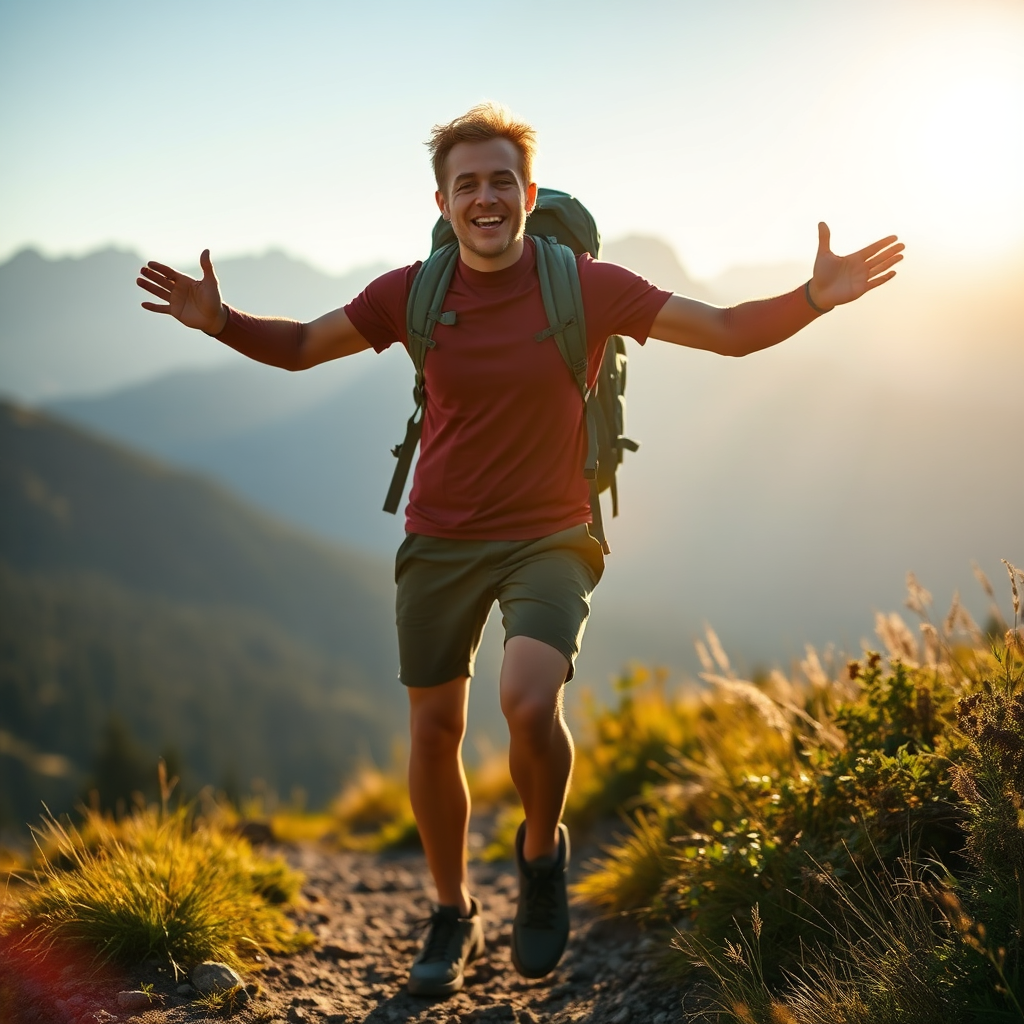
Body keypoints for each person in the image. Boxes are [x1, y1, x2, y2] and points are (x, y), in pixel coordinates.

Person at [136, 102, 903, 998]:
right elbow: (306, 347)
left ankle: (541, 855)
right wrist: (221, 320)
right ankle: (452, 909)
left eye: (503, 180)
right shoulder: (411, 292)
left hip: (552, 532)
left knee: (527, 701)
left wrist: (814, 297)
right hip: (440, 536)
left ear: (529, 194)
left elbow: (728, 333)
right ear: (443, 200)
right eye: (469, 184)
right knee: (435, 730)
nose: (487, 197)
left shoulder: (585, 284)